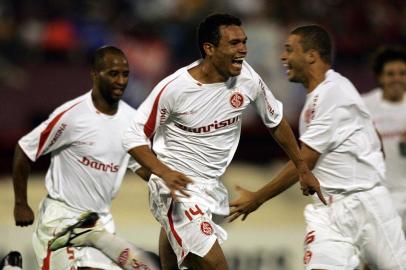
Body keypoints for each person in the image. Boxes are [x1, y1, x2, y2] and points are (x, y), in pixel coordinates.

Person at [120, 13, 323, 270]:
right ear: (210, 48)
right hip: (176, 190)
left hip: (211, 188)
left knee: (175, 259)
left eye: (244, 42)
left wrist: (302, 169)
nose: (243, 50)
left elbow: (276, 122)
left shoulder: (247, 78)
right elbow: (132, 135)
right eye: (234, 43)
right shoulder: (175, 88)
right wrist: (163, 172)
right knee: (215, 265)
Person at [229, 25, 406, 269]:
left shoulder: (333, 93)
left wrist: (258, 198)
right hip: (328, 211)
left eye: (290, 50)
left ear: (311, 55)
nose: (283, 57)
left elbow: (305, 161)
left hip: (365, 207)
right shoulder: (323, 94)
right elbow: (373, 135)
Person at [12, 46, 153, 270]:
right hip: (63, 219)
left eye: (125, 74)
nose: (121, 81)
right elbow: (25, 149)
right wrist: (21, 203)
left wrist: (170, 182)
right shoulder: (72, 116)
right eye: (113, 73)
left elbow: (142, 166)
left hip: (100, 222)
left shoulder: (132, 120)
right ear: (95, 74)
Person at [362, 46, 406, 233]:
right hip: (376, 194)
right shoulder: (363, 105)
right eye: (390, 74)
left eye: (402, 73)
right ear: (380, 77)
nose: (397, 78)